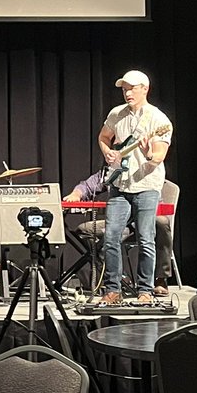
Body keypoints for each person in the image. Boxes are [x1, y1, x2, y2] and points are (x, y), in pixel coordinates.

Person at [98, 70, 172, 305]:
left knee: (146, 238)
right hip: (120, 184)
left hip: (146, 185)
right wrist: (107, 151)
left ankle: (145, 290)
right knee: (110, 236)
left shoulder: (159, 120)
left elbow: (157, 157)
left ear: (145, 89)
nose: (127, 93)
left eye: (132, 88)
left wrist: (145, 150)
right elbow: (103, 137)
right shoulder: (116, 114)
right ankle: (112, 289)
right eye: (124, 89)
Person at [63, 170, 173, 297]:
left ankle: (160, 278)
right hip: (122, 221)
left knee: (162, 222)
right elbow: (88, 185)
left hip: (145, 221)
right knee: (95, 231)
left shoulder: (147, 173)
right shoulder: (114, 170)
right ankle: (119, 278)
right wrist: (76, 194)